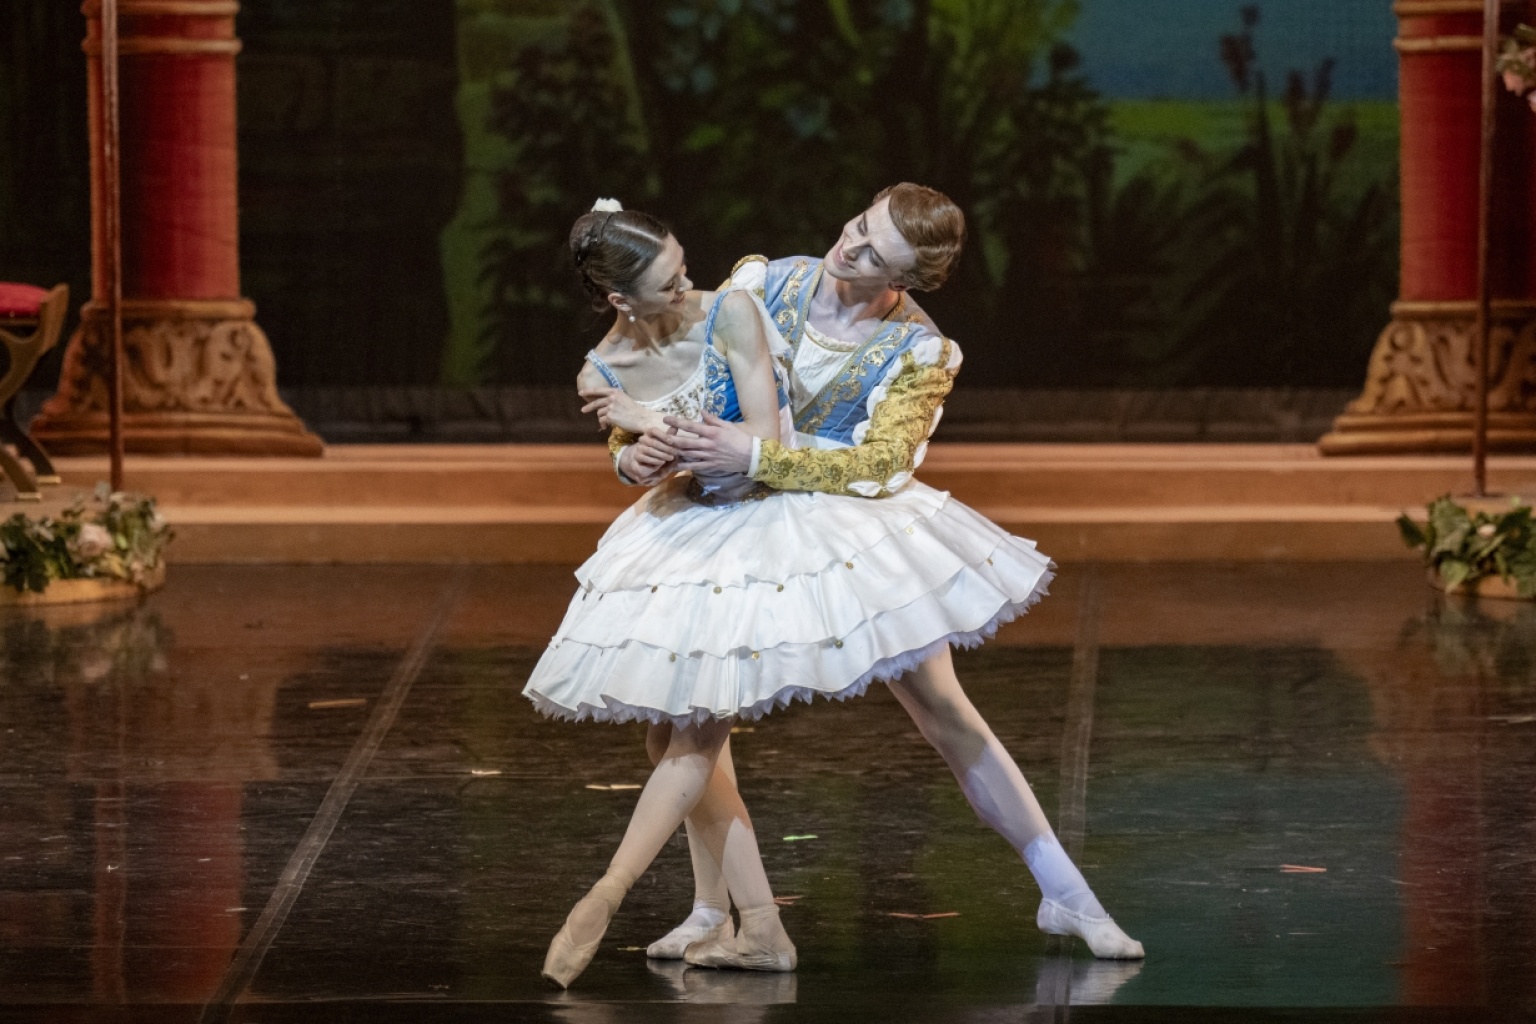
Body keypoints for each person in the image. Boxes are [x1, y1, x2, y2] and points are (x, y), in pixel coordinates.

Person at [593, 184, 1145, 963]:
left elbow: (884, 464)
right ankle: (713, 909)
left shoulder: (920, 350)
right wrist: (632, 452)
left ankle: (1068, 894)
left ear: (907, 278)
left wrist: (758, 455)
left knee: (943, 709)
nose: (847, 246)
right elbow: (671, 375)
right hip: (725, 522)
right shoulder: (763, 283)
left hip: (843, 532)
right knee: (692, 715)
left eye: (872, 251)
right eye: (857, 225)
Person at [523, 201, 798, 988]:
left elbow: (761, 447)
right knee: (667, 740)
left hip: (761, 523)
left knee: (695, 732)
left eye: (683, 268)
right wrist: (633, 458)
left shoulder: (730, 314)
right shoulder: (601, 371)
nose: (687, 288)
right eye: (668, 283)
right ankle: (759, 925)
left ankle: (607, 894)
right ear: (620, 299)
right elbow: (628, 456)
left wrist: (650, 421)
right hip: (686, 526)